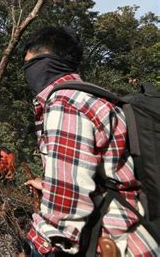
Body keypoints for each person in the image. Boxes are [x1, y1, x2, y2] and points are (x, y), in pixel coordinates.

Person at [20, 27, 158, 256]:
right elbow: (107, 174)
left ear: (45, 61)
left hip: (116, 244)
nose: (28, 73)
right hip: (141, 235)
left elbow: (65, 211)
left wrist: (34, 247)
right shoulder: (97, 97)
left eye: (29, 64)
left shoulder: (66, 102)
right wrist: (47, 185)